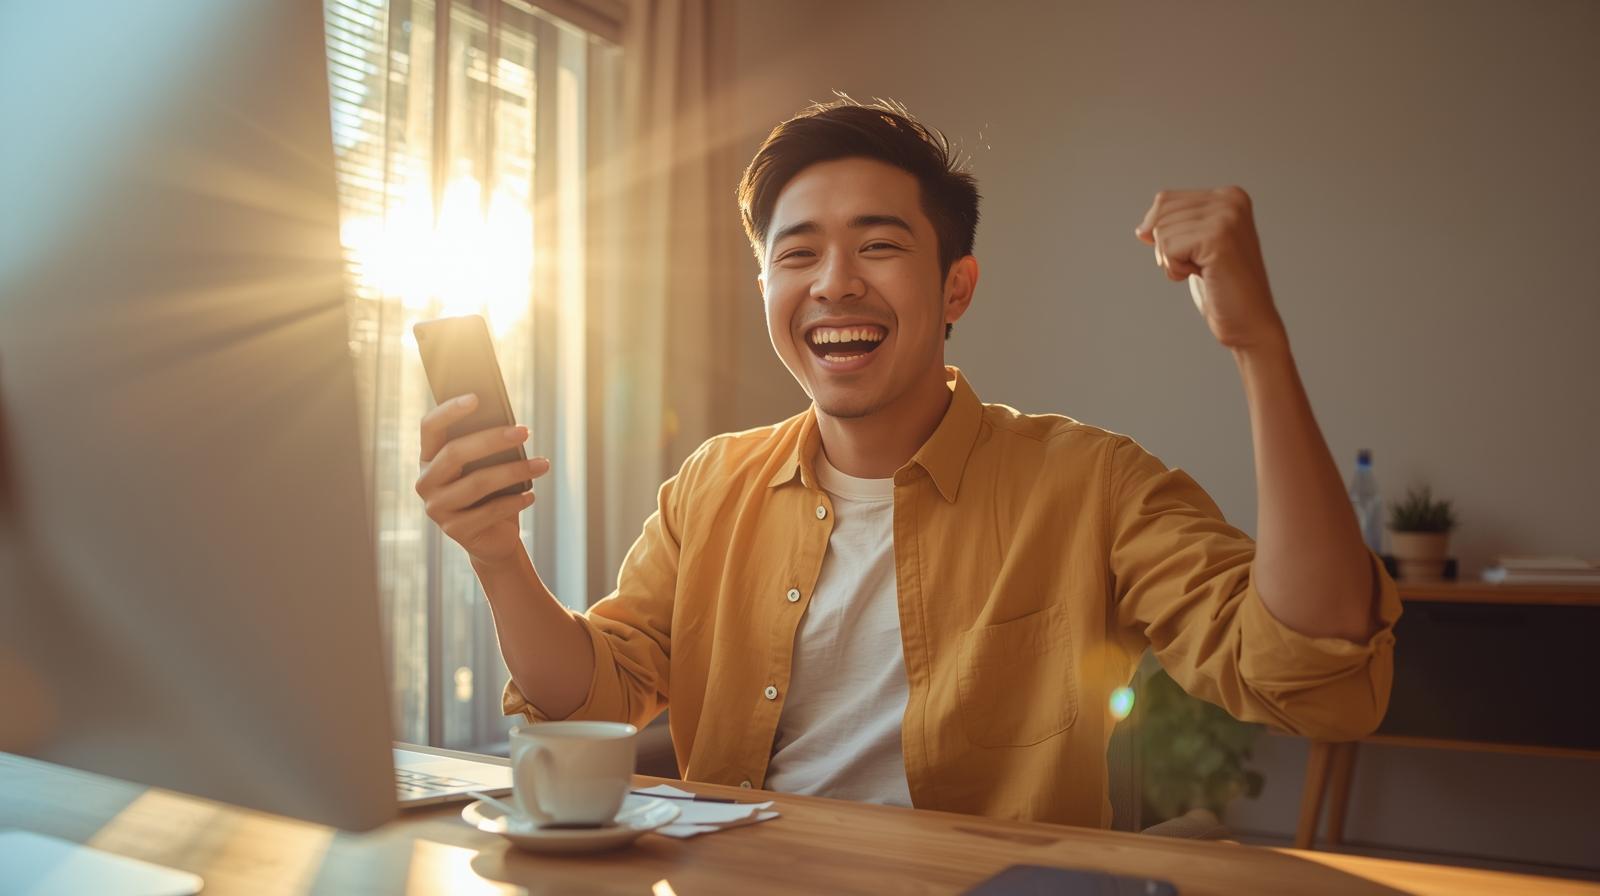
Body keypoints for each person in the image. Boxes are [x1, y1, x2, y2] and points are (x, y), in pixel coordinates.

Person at [414, 98, 1399, 828]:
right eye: (796, 255)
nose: (834, 281)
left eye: (877, 244)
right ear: (766, 288)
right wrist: (498, 555)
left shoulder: (1088, 481)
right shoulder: (712, 484)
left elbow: (1310, 674)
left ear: (954, 284)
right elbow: (591, 697)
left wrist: (1256, 342)